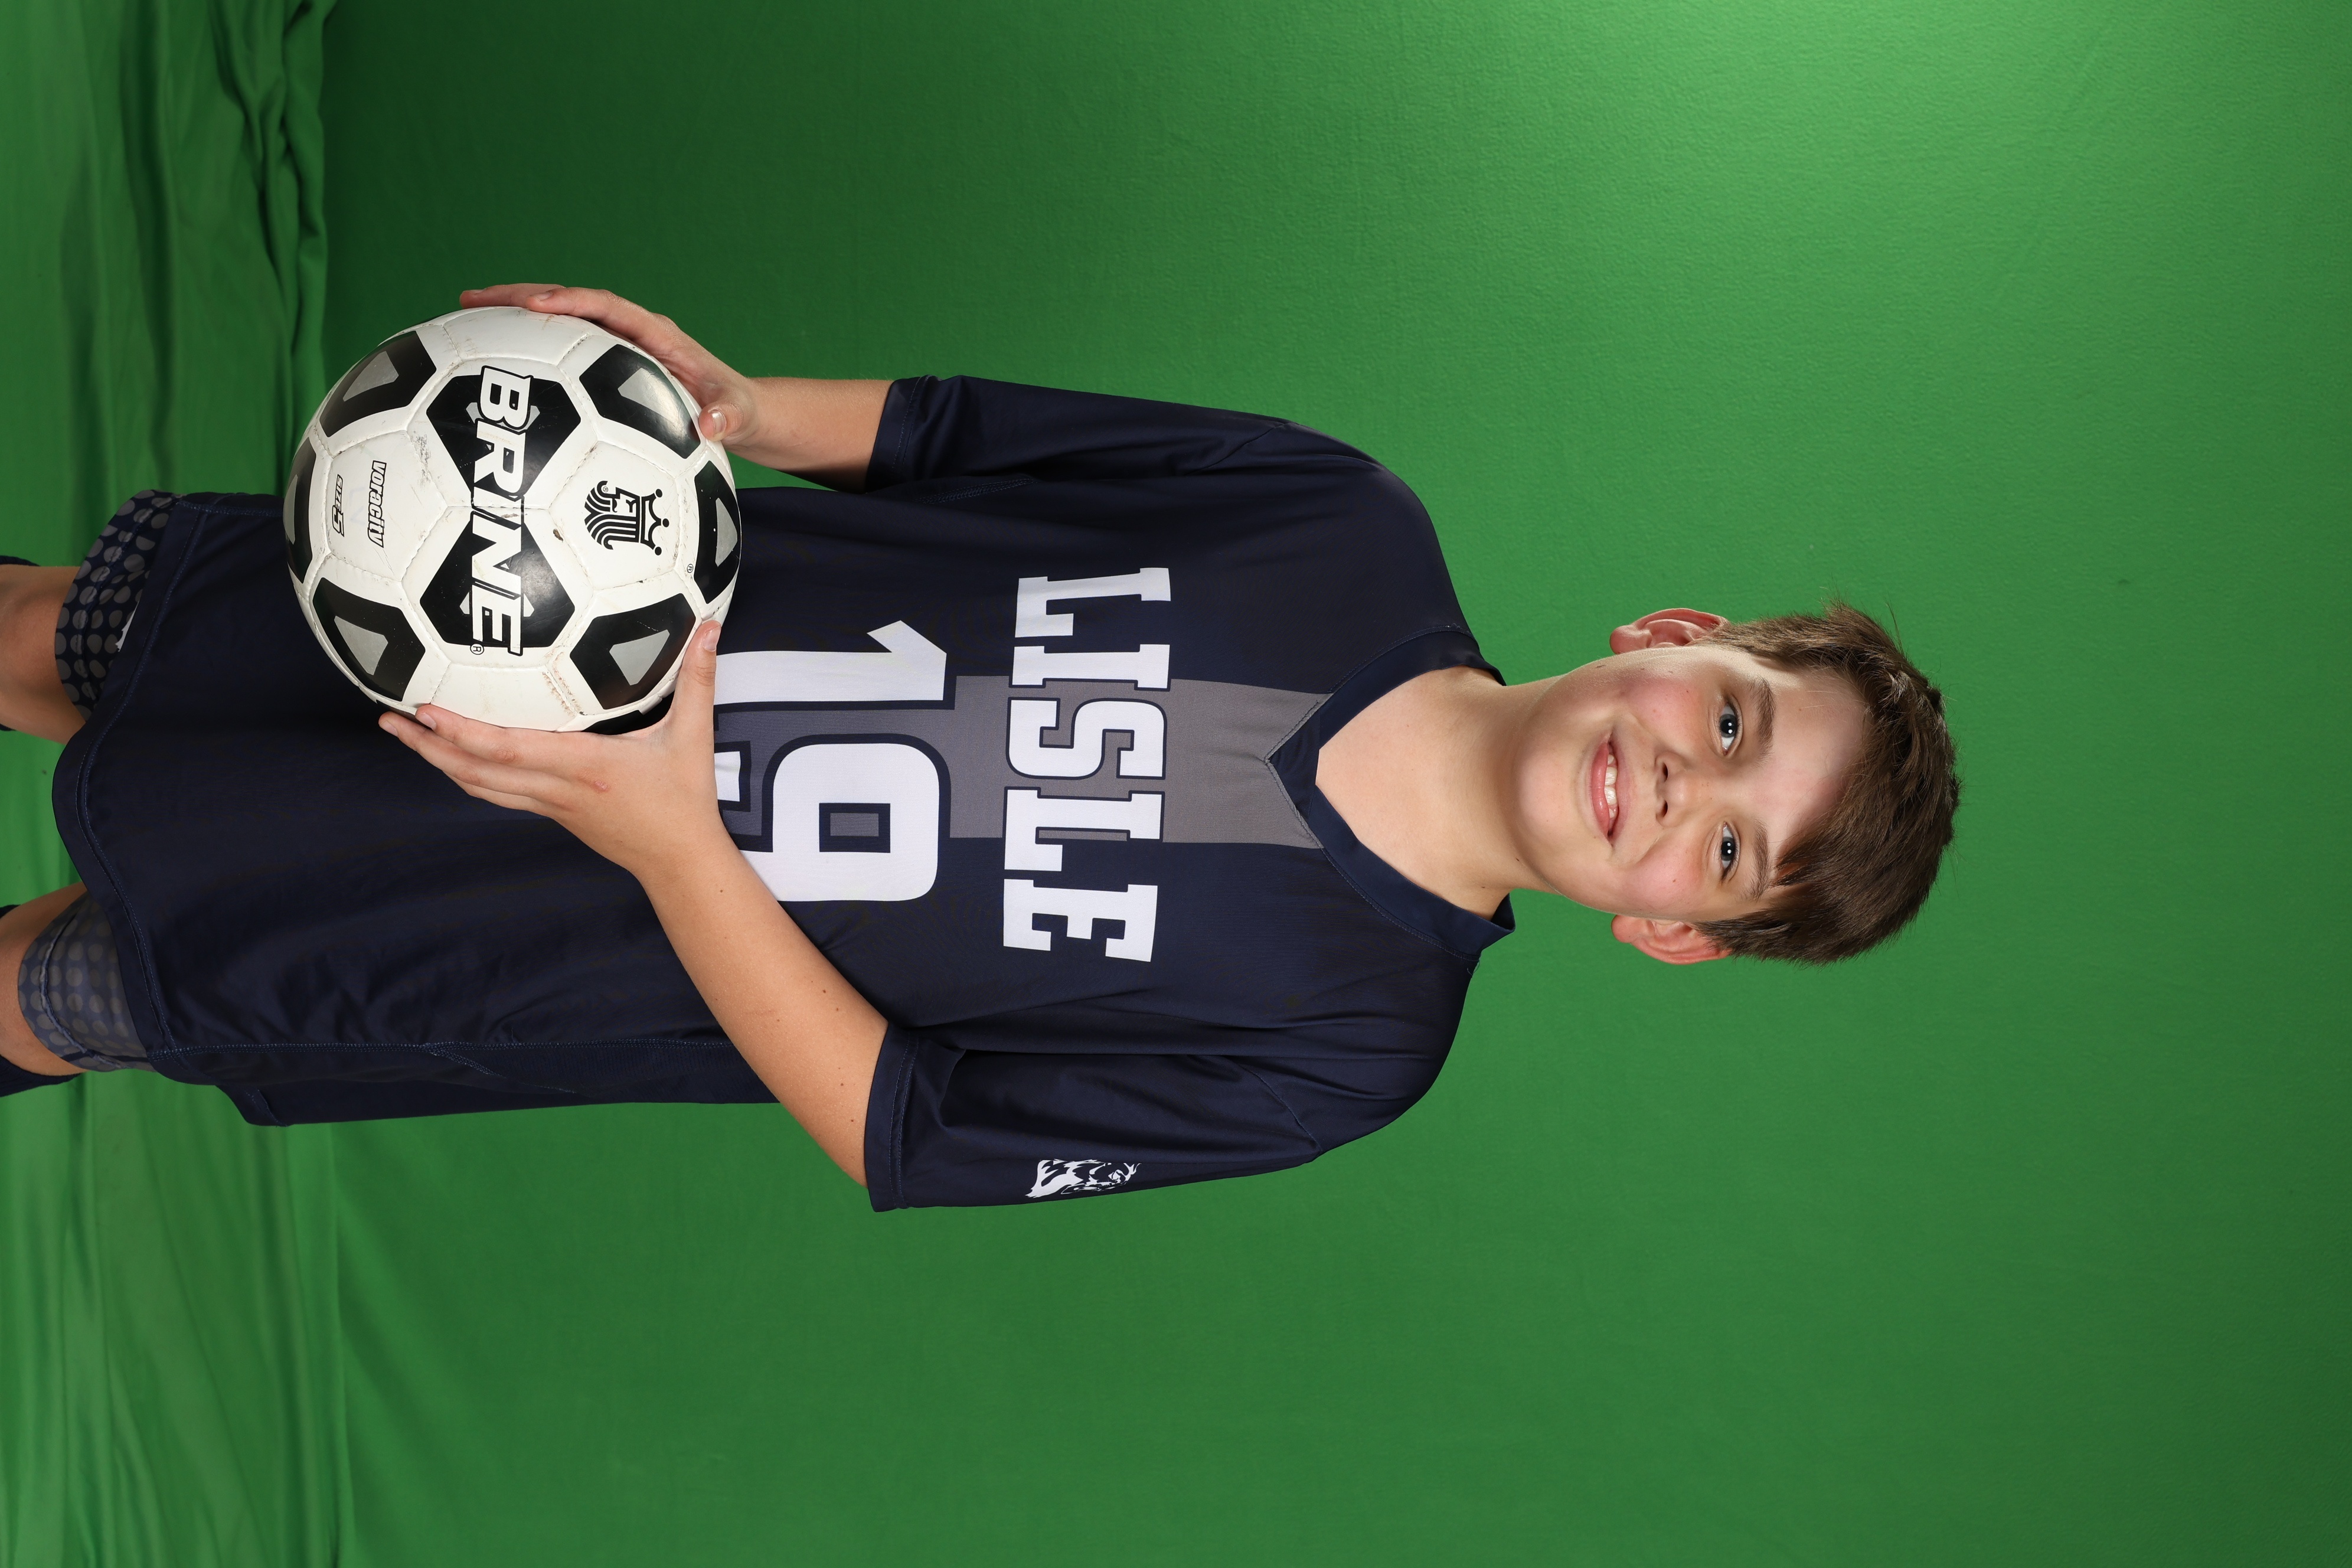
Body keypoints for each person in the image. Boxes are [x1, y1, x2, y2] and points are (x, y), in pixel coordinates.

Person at [0, 285, 1958, 1208]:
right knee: (45, 633)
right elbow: (957, 439)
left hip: (505, 931)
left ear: (1671, 932)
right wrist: (722, 405)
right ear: (1674, 638)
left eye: (1726, 849)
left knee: (45, 988)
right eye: (1731, 721)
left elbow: (903, 1124)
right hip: (502, 602)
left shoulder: (1351, 1051)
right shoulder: (1343, 522)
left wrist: (672, 838)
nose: (1683, 785)